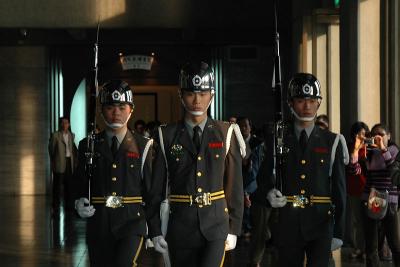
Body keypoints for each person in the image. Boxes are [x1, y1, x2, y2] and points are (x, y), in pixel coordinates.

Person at [149, 61, 246, 267]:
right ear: (181, 95)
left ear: (211, 95)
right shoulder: (166, 135)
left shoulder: (226, 132)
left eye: (202, 94)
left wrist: (234, 227)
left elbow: (234, 185)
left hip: (216, 225)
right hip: (180, 226)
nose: (197, 100)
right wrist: (155, 229)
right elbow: (156, 187)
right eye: (191, 93)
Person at [264, 73, 346, 267]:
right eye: (301, 100)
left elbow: (339, 191)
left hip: (321, 223)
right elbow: (264, 178)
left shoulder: (332, 141)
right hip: (288, 223)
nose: (307, 106)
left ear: (319, 103)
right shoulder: (278, 138)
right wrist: (268, 192)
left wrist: (338, 233)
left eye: (311, 100)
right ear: (290, 103)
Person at [73, 80, 156, 267]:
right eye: (110, 107)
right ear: (101, 110)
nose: (116, 112)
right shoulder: (88, 145)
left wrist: (155, 229)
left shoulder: (144, 145)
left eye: (122, 106)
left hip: (132, 222)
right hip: (99, 223)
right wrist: (77, 201)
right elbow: (78, 182)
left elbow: (151, 191)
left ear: (131, 110)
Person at [348, 123, 400, 267]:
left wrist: (383, 149)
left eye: (381, 135)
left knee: (394, 244)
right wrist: (355, 151)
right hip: (370, 200)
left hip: (389, 201)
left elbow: (393, 172)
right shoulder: (368, 152)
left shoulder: (395, 151)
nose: (378, 138)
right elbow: (355, 171)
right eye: (374, 135)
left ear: (389, 136)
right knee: (371, 246)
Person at [346, 121, 369, 260]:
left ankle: (368, 248)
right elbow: (352, 168)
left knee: (369, 220)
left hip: (369, 189)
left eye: (365, 133)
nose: (362, 136)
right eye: (360, 133)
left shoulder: (370, 148)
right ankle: (358, 247)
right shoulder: (350, 148)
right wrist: (355, 149)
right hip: (354, 189)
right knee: (357, 221)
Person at [237, 116, 262, 237]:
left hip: (254, 180)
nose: (243, 129)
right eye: (240, 126)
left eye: (245, 126)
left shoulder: (258, 143)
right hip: (239, 179)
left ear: (250, 128)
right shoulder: (234, 142)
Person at [48, 116, 77, 210]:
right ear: (60, 124)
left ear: (69, 124)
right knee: (57, 184)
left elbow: (72, 149)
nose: (65, 125)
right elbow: (51, 150)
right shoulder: (55, 135)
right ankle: (56, 205)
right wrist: (54, 160)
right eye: (63, 123)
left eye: (66, 123)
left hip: (69, 162)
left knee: (69, 184)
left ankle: (69, 205)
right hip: (59, 161)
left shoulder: (72, 135)